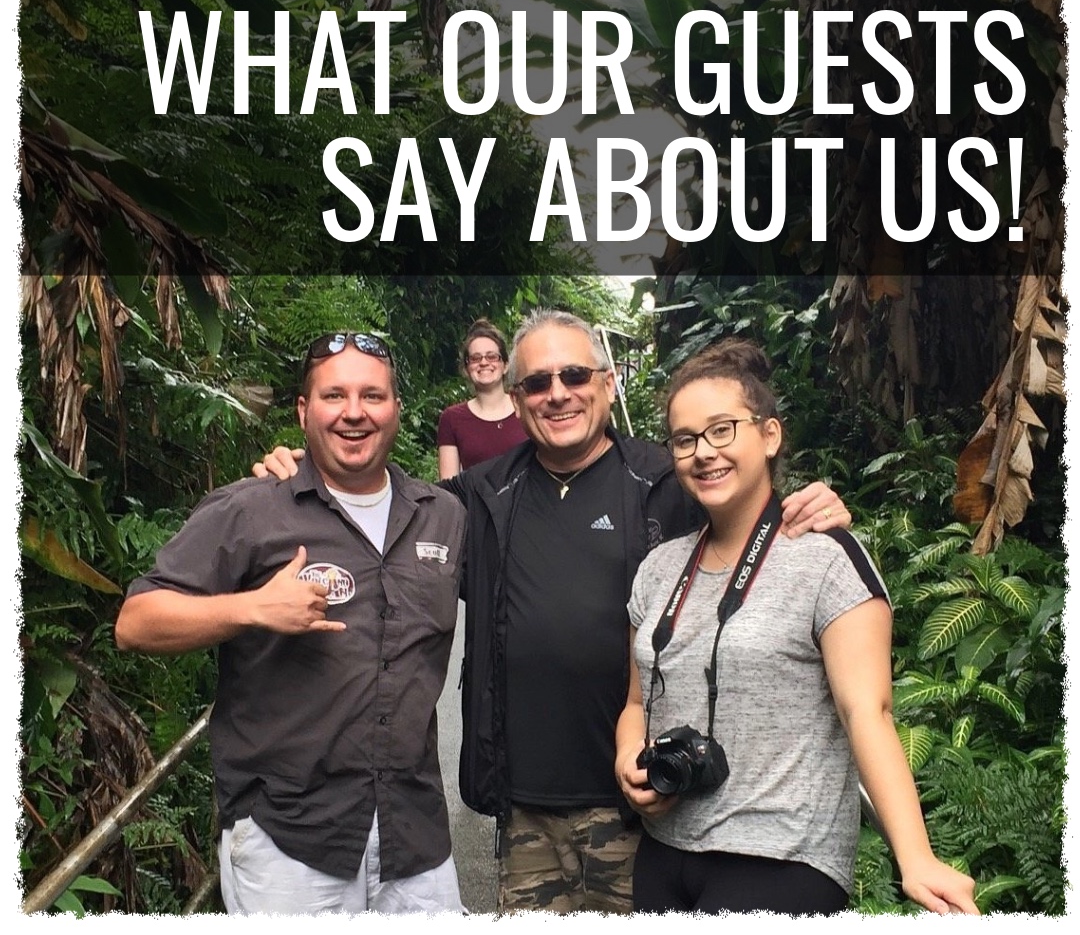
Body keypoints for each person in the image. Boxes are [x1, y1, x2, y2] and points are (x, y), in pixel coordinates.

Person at [254, 309, 850, 915]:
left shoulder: (668, 483)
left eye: (574, 375)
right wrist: (303, 472)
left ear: (607, 384)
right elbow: (377, 506)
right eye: (537, 382)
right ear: (516, 399)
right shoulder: (478, 498)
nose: (557, 393)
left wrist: (808, 506)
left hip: (648, 806)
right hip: (524, 811)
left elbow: (748, 509)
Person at [614, 338, 980, 916]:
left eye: (722, 430)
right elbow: (637, 702)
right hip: (664, 852)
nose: (703, 452)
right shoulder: (659, 569)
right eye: (685, 440)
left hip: (783, 858)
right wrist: (627, 755)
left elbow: (868, 712)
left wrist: (916, 857)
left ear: (769, 435)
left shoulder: (825, 559)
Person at [116, 332, 468, 915]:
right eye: (334, 396)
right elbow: (136, 621)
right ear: (304, 411)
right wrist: (250, 608)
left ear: (397, 410)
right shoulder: (252, 508)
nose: (353, 412)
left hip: (413, 833)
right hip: (289, 840)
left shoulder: (443, 517)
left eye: (372, 396)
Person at [437, 318, 528, 478]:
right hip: (473, 495)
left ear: (506, 365)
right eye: (475, 358)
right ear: (466, 369)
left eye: (492, 357)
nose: (484, 362)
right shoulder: (451, 419)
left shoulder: (526, 407)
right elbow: (448, 486)